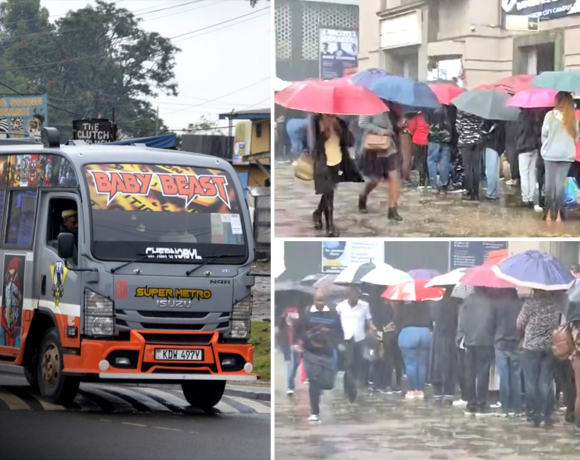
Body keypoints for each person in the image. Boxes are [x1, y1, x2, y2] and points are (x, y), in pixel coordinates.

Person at [293, 290, 344, 422]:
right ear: (314, 300)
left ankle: (318, 388)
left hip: (327, 352)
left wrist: (339, 343)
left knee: (328, 383)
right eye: (318, 300)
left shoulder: (333, 314)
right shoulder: (307, 313)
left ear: (326, 300)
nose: (320, 303)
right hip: (311, 352)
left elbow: (339, 331)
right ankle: (314, 412)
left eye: (322, 300)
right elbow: (298, 329)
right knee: (314, 380)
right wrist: (297, 342)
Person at [517, 290, 561, 427]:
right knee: (545, 382)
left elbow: (519, 324)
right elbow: (557, 324)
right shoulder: (554, 304)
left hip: (531, 347)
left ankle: (533, 415)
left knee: (531, 382)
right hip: (549, 347)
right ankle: (546, 415)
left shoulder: (530, 304)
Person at [311, 113, 360, 237]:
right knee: (329, 193)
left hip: (337, 162)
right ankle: (330, 226)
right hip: (322, 162)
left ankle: (317, 213)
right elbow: (311, 144)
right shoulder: (316, 121)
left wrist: (341, 130)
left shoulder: (340, 122)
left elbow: (350, 142)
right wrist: (323, 132)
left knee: (329, 192)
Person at [357, 103, 403, 221]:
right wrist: (381, 131)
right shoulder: (369, 104)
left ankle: (392, 209)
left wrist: (400, 124)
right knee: (374, 180)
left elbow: (394, 127)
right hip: (374, 147)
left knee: (394, 177)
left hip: (389, 147)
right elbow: (362, 123)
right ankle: (363, 195)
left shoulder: (392, 106)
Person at [540, 91, 578, 222]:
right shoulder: (572, 117)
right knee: (560, 185)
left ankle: (549, 213)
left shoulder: (550, 115)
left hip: (550, 154)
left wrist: (547, 144)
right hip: (566, 155)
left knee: (549, 184)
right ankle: (560, 216)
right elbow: (576, 136)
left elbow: (544, 134)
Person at [457, 287, 495, 414]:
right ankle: (482, 402)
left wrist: (461, 337)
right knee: (483, 372)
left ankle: (471, 402)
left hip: (470, 341)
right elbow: (493, 322)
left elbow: (461, 322)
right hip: (486, 341)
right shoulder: (491, 302)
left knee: (470, 373)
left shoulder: (466, 302)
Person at [335, 286, 376, 395]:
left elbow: (368, 320)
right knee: (348, 363)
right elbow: (335, 322)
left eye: (357, 297)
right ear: (348, 296)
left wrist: (373, 328)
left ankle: (358, 382)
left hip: (360, 339)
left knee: (359, 362)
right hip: (346, 339)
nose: (356, 299)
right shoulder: (340, 306)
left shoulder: (364, 306)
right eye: (354, 297)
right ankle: (348, 385)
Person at [492, 288, 523, 416]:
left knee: (504, 376)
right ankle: (516, 405)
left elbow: (493, 323)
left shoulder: (498, 305)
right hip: (516, 343)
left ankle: (505, 405)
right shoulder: (521, 305)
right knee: (515, 376)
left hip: (500, 343)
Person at [396, 301, 433, 399]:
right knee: (422, 364)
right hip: (425, 332)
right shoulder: (426, 305)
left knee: (410, 363)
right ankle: (420, 390)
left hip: (408, 332)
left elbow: (396, 321)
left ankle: (412, 390)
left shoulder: (402, 307)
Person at [430, 292, 461, 405]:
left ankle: (437, 392)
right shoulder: (457, 304)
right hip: (452, 336)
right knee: (450, 363)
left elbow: (431, 319)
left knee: (437, 364)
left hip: (438, 337)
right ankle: (448, 391)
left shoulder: (436, 304)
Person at [515, 110, 542, 207]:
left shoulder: (521, 117)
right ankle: (531, 196)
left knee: (524, 174)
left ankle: (525, 197)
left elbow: (518, 132)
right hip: (534, 148)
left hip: (523, 148)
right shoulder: (537, 116)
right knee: (531, 174)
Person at [456, 110, 484, 200]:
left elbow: (458, 127)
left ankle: (470, 191)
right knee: (476, 167)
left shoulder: (461, 111)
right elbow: (481, 124)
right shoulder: (479, 109)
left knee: (467, 167)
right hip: (477, 141)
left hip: (465, 141)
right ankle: (476, 192)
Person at [276, 301, 302, 396]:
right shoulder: (282, 323)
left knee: (296, 364)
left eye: (296, 312)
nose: (295, 314)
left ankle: (291, 381)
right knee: (289, 365)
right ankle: (289, 387)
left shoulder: (298, 324)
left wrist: (298, 343)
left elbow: (301, 334)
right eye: (293, 312)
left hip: (296, 346)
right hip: (286, 346)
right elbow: (278, 334)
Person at [426, 105, 454, 193]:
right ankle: (444, 183)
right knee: (445, 160)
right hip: (447, 137)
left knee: (432, 160)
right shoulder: (451, 108)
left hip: (433, 137)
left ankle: (434, 184)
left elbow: (426, 120)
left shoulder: (430, 106)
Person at [481, 120, 505, 201]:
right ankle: (495, 191)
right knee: (495, 170)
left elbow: (485, 132)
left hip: (491, 145)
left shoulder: (490, 121)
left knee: (490, 170)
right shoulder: (502, 120)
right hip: (499, 147)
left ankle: (491, 192)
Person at [407, 111, 430, 188]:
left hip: (417, 140)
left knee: (419, 160)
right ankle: (428, 179)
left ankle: (422, 180)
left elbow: (411, 128)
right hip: (427, 140)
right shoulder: (431, 117)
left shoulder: (418, 116)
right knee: (426, 160)